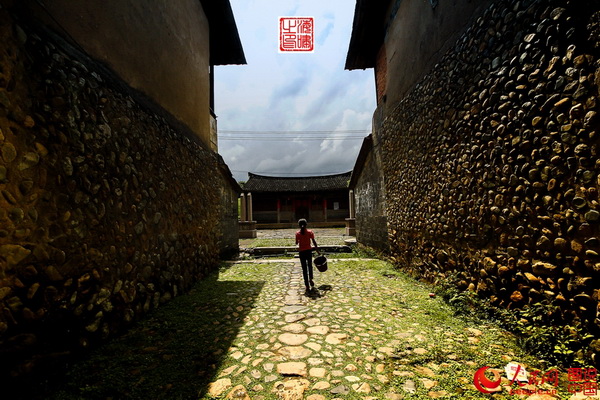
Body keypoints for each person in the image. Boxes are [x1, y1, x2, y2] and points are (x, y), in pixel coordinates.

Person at [295, 218, 318, 294]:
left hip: (302, 252)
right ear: (306, 224)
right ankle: (311, 278)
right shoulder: (310, 232)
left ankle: (307, 286)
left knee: (304, 269)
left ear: (299, 225)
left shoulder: (297, 233)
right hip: (308, 251)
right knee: (310, 266)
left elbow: (296, 243)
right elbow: (314, 242)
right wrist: (317, 250)